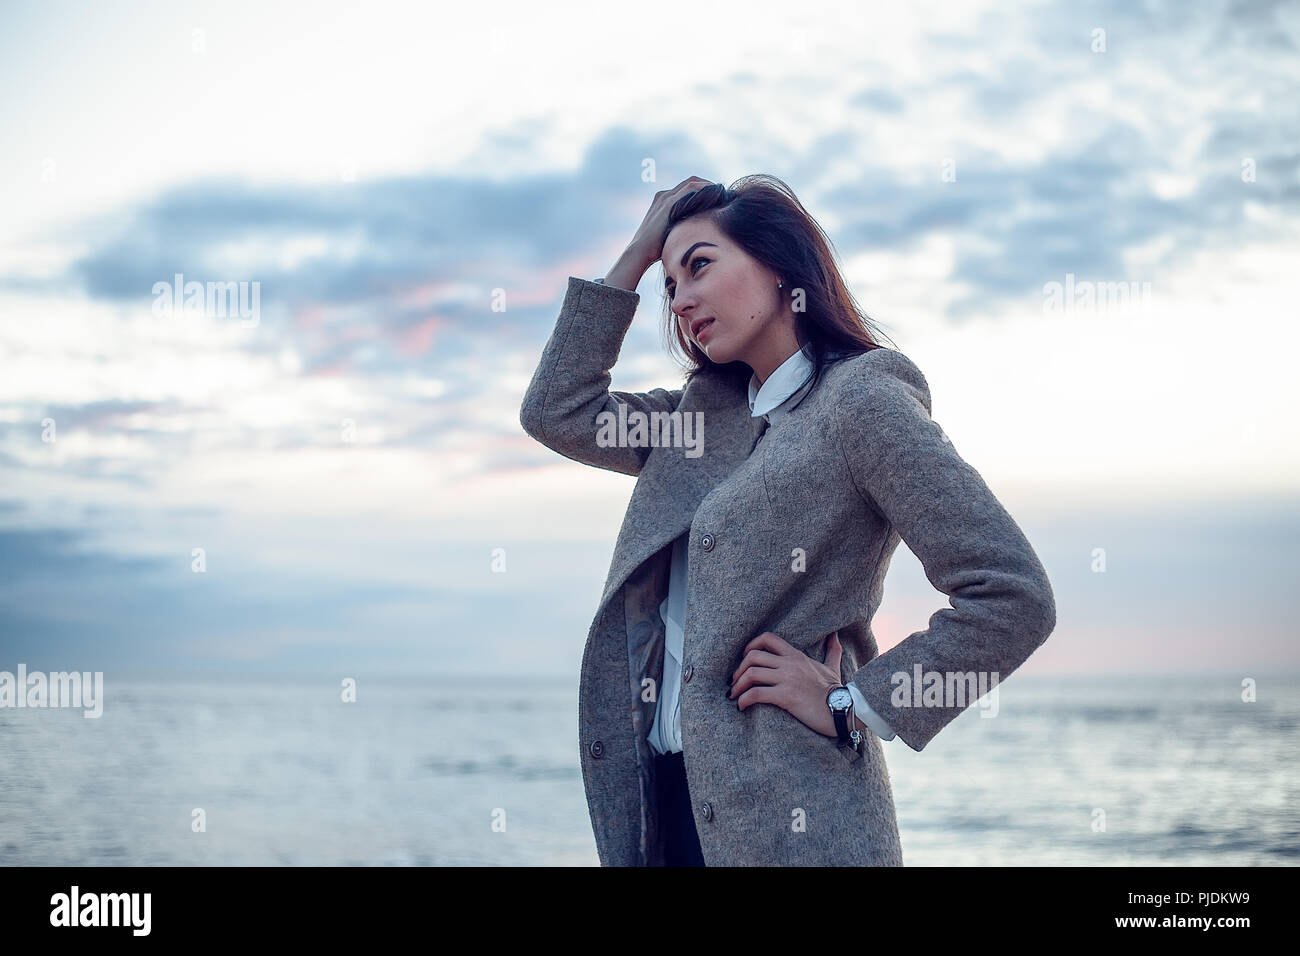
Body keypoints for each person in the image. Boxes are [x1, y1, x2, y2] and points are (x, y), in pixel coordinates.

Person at [520, 174, 1057, 866]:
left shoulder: (862, 402)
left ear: (779, 268)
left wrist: (853, 703)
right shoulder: (697, 420)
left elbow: (1013, 596)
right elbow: (556, 411)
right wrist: (633, 257)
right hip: (664, 821)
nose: (680, 299)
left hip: (796, 825)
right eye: (669, 284)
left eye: (700, 266)